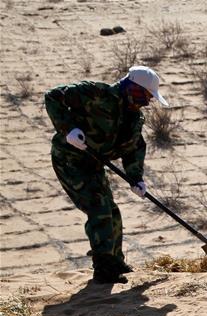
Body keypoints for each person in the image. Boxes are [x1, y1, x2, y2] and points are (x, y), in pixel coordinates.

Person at [45, 66, 168, 284]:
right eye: (144, 96)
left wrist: (135, 178)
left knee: (112, 212)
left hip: (93, 164)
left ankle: (115, 261)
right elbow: (53, 96)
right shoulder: (94, 93)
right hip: (69, 160)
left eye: (149, 98)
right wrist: (68, 128)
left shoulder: (133, 118)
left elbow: (134, 148)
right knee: (98, 208)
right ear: (132, 88)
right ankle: (103, 269)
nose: (146, 103)